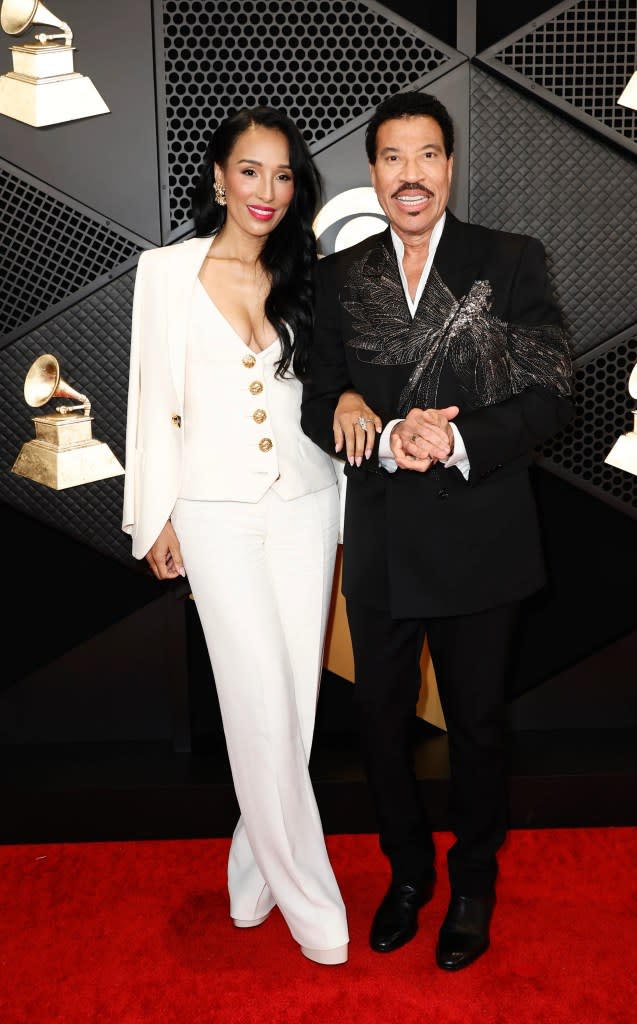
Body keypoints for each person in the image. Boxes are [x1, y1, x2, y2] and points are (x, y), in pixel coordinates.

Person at [301, 90, 574, 972]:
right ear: (373, 173)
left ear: (448, 167)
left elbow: (549, 392)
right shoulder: (341, 276)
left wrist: (455, 436)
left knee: (478, 725)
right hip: (383, 537)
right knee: (379, 725)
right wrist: (360, 415)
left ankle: (473, 882)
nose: (409, 175)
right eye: (391, 158)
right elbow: (318, 392)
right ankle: (408, 874)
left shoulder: (509, 259)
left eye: (425, 156)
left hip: (482, 534)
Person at [122, 106, 349, 966]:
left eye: (284, 174)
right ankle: (310, 895)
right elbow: (149, 396)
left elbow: (328, 397)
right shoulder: (165, 272)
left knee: (293, 705)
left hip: (305, 503)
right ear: (218, 177)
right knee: (256, 700)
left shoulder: (310, 274)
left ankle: (253, 871)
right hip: (212, 511)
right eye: (251, 171)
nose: (268, 191)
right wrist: (156, 513)